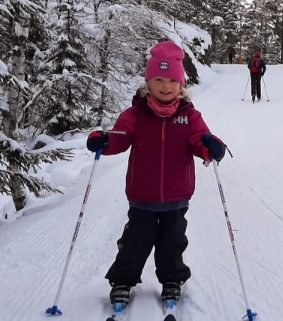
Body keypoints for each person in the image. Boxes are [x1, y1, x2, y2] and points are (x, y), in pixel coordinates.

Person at [86, 41, 227, 307]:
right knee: (135, 242)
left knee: (172, 243)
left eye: (172, 80)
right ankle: (123, 281)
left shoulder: (190, 116)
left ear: (181, 84)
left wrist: (211, 147)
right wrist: (103, 141)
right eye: (159, 79)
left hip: (177, 195)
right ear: (148, 82)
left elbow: (201, 140)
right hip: (142, 194)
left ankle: (172, 280)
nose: (165, 86)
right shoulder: (135, 114)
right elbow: (119, 138)